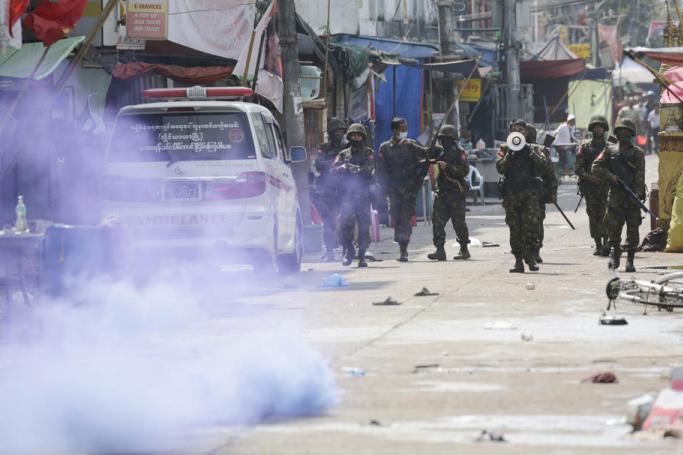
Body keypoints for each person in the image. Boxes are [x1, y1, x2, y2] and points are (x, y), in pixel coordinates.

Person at [592, 118, 646, 273]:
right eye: (620, 132)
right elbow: (596, 166)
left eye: (626, 132)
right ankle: (616, 254)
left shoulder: (638, 153)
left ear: (631, 134)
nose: (623, 135)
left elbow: (640, 176)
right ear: (616, 133)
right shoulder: (609, 151)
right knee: (613, 231)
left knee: (633, 231)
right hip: (615, 197)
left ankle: (630, 260)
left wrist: (636, 193)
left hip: (631, 198)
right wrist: (611, 177)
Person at [497, 119, 548, 273]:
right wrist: (510, 155)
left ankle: (530, 256)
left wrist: (530, 152)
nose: (518, 131)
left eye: (521, 129)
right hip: (512, 195)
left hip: (530, 195)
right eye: (514, 129)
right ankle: (518, 260)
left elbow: (544, 166)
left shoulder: (534, 148)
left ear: (526, 132)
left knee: (532, 226)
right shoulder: (505, 149)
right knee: (515, 228)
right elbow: (500, 167)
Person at [378, 117, 428, 262]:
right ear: (394, 130)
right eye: (402, 128)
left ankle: (403, 250)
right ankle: (400, 241)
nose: (404, 131)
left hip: (408, 189)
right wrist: (382, 188)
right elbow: (382, 170)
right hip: (393, 190)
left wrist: (415, 183)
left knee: (405, 219)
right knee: (396, 218)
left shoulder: (411, 144)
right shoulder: (385, 147)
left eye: (406, 128)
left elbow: (425, 156)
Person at [332, 123, 375, 268]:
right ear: (349, 137)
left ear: (363, 137)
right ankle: (348, 252)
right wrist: (343, 167)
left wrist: (357, 169)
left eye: (359, 135)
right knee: (345, 225)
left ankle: (362, 256)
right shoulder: (343, 154)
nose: (356, 137)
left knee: (363, 227)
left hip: (363, 195)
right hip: (347, 196)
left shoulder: (368, 152)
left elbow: (370, 168)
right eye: (354, 135)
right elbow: (333, 169)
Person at [426, 124, 471, 261]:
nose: (443, 142)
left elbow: (464, 171)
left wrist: (448, 167)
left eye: (446, 139)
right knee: (437, 221)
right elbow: (428, 155)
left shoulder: (460, 152)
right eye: (441, 139)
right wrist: (432, 142)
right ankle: (440, 249)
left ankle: (464, 249)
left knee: (459, 223)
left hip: (456, 193)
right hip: (442, 193)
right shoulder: (439, 152)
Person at [574, 115, 610, 257]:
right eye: (596, 127)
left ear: (604, 129)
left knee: (607, 215)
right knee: (593, 215)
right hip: (590, 187)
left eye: (601, 126)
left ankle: (607, 242)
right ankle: (598, 244)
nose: (598, 129)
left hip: (606, 187)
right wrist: (590, 178)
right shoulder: (585, 148)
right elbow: (578, 168)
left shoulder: (610, 148)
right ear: (592, 129)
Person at [313, 118, 347, 261]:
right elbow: (318, 164)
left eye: (341, 131)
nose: (339, 134)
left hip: (345, 188)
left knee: (347, 220)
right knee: (328, 221)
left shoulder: (348, 147)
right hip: (328, 189)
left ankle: (347, 251)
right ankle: (330, 252)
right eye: (336, 131)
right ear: (331, 133)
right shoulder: (325, 148)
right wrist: (334, 164)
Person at [526, 124, 557, 264]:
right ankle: (524, 252)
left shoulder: (540, 150)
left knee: (537, 223)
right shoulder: (513, 148)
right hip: (519, 193)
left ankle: (535, 250)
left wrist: (552, 193)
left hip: (537, 194)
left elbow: (550, 174)